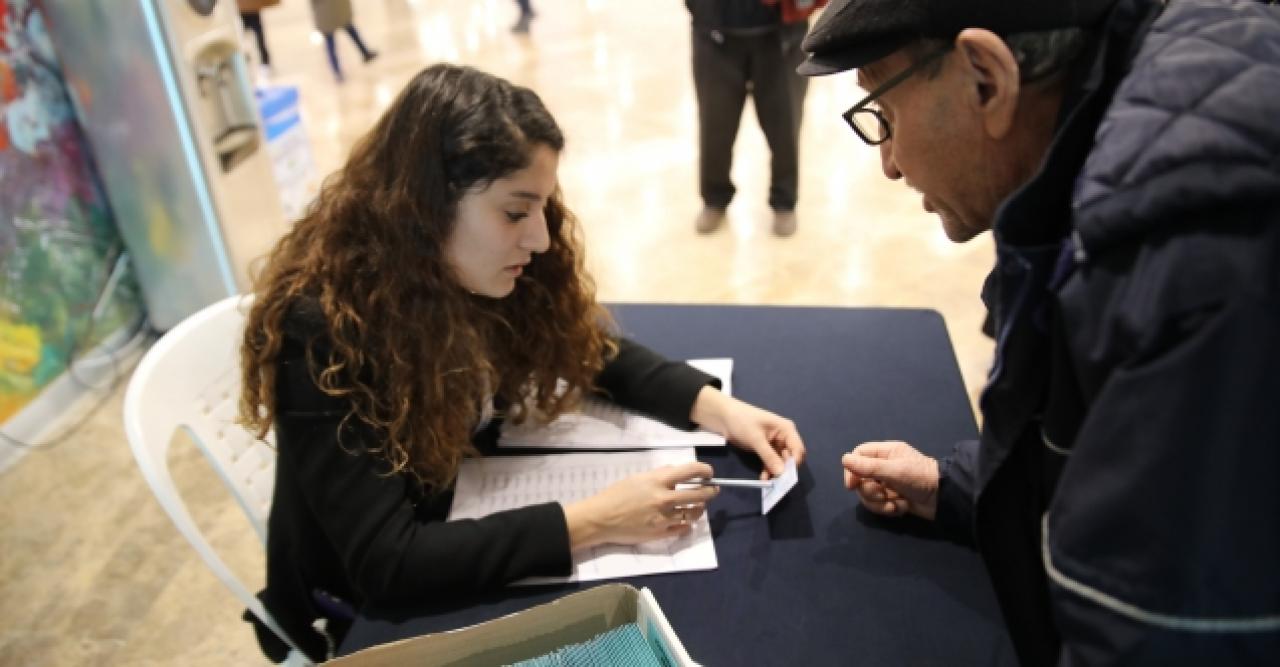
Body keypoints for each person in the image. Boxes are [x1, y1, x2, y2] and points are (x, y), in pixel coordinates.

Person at [238, 63, 806, 663]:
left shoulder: (459, 265)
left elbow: (580, 345)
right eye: (515, 213)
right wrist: (595, 520)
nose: (539, 239)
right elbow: (387, 562)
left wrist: (716, 408)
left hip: (461, 507)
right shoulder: (324, 328)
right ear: (426, 206)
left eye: (541, 208)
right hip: (358, 612)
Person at [798, 0, 1280, 664]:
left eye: (886, 114)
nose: (891, 163)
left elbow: (1159, 637)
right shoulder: (1131, 114)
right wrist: (960, 487)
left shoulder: (1189, 253)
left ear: (986, 80)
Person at [686, 0, 825, 237]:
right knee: (715, 123)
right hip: (714, 33)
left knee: (785, 123)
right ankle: (715, 198)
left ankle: (784, 201)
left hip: (782, 35)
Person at [308, 0, 378, 83]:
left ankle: (338, 71)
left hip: (333, 8)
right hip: (328, 9)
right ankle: (337, 71)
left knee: (347, 30)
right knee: (333, 39)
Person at [237, 0, 278, 79]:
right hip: (240, 7)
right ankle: (256, 64)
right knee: (244, 36)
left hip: (246, 6)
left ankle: (264, 63)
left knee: (255, 33)